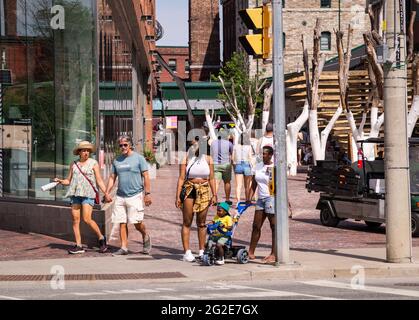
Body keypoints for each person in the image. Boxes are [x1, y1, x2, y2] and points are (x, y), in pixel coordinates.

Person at [55, 141, 109, 254]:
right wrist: (60, 181)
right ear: (79, 152)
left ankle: (101, 238)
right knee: (75, 220)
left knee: (87, 219)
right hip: (75, 195)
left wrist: (106, 193)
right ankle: (79, 246)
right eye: (83, 150)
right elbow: (68, 181)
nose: (86, 152)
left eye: (88, 151)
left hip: (88, 194)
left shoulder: (93, 163)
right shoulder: (73, 164)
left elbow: (99, 180)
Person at [105, 135, 152, 256]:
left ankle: (145, 235)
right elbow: (112, 178)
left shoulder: (139, 158)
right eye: (120, 145)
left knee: (137, 223)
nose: (123, 147)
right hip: (120, 195)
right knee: (121, 221)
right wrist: (106, 192)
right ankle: (124, 247)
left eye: (125, 144)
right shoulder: (117, 160)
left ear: (130, 145)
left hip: (135, 195)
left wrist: (147, 194)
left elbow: (146, 176)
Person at [176, 137, 217, 262]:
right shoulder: (186, 159)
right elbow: (181, 178)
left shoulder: (209, 159)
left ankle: (202, 250)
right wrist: (177, 196)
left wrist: (214, 194)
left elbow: (211, 178)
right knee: (187, 221)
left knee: (202, 222)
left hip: (204, 189)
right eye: (194, 144)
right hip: (190, 189)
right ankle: (187, 251)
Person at [246, 145, 276, 264]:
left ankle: (273, 254)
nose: (262, 155)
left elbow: (278, 185)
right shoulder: (258, 166)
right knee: (256, 225)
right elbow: (254, 183)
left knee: (274, 227)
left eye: (265, 154)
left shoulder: (274, 167)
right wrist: (249, 197)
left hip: (271, 198)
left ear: (270, 155)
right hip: (260, 199)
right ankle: (251, 251)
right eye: (261, 153)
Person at [210, 129, 233, 205]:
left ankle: (214, 198)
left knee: (216, 182)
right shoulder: (229, 144)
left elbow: (211, 154)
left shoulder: (213, 143)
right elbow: (232, 154)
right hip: (226, 164)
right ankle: (227, 199)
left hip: (215, 164)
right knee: (227, 182)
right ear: (226, 136)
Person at [232, 134, 253, 205]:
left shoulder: (235, 146)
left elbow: (232, 158)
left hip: (238, 165)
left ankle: (238, 200)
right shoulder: (249, 147)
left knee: (238, 185)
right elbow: (250, 158)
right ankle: (247, 199)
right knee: (247, 185)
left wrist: (235, 165)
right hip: (247, 165)